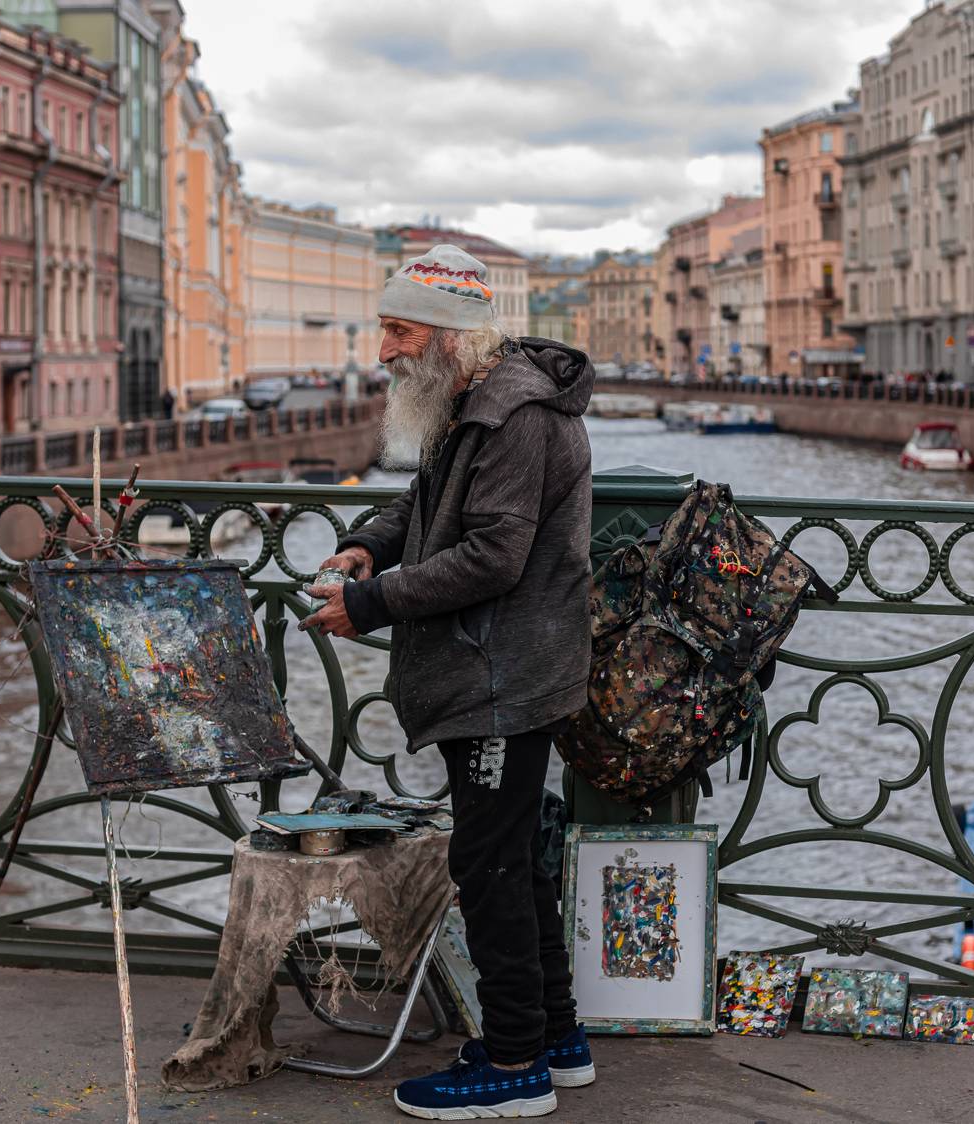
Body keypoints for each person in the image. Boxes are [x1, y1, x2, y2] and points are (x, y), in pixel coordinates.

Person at [304, 244, 594, 1120]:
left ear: (448, 334)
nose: (383, 349)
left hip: (505, 673)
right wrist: (368, 546)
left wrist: (370, 603)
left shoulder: (513, 415)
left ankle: (514, 1069)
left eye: (398, 330)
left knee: (489, 864)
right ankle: (554, 1039)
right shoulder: (472, 398)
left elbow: (494, 555)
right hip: (496, 665)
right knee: (513, 858)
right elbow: (425, 503)